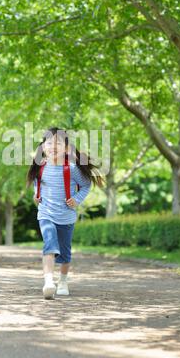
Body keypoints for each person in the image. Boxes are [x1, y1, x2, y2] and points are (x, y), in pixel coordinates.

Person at [26, 127, 105, 299]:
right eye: (49, 143)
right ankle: (48, 282)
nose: (53, 146)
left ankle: (62, 280)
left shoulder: (72, 168)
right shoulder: (41, 166)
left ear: (66, 148)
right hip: (45, 213)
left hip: (66, 216)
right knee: (49, 245)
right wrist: (36, 193)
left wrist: (77, 199)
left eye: (58, 143)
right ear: (43, 146)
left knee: (64, 253)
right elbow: (37, 182)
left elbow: (85, 185)